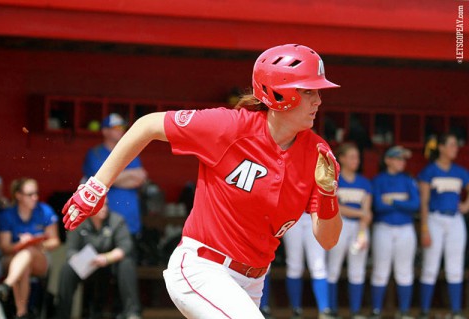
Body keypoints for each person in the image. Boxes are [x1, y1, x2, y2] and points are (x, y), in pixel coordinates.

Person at [61, 43, 343, 319]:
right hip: (203, 267)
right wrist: (98, 185)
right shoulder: (229, 127)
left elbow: (328, 240)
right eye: (308, 91)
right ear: (280, 94)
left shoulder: (318, 154)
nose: (318, 100)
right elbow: (147, 126)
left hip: (253, 282)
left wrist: (329, 194)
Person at [57, 200, 142, 319]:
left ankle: (132, 313)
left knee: (127, 263)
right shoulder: (79, 221)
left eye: (106, 204)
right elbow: (71, 251)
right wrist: (85, 260)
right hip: (86, 265)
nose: (104, 208)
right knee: (67, 269)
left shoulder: (116, 220)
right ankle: (62, 314)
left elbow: (126, 247)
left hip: (109, 265)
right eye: (100, 205)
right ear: (90, 207)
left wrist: (106, 258)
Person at [0, 177, 60, 319]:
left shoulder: (45, 210)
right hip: (13, 259)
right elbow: (5, 248)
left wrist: (35, 244)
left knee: (27, 253)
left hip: (39, 259)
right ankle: (21, 313)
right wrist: (21, 245)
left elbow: (55, 242)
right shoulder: (7, 215)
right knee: (24, 264)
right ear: (18, 195)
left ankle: (6, 286)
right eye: (30, 194)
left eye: (36, 193)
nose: (35, 197)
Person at [418, 133, 469, 319]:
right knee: (430, 266)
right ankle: (424, 311)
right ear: (441, 147)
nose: (455, 148)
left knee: (455, 267)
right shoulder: (430, 171)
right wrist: (424, 229)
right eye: (452, 145)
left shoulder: (460, 171)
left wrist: (466, 205)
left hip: (455, 220)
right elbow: (423, 202)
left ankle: (456, 312)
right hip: (434, 219)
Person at [83, 113, 147, 252]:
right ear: (105, 131)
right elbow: (98, 181)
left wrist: (111, 178)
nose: (121, 130)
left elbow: (140, 177)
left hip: (130, 218)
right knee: (100, 266)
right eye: (116, 127)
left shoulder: (131, 151)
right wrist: (128, 175)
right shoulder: (95, 153)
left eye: (122, 126)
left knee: (127, 266)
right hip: (104, 217)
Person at [369, 146, 420, 319]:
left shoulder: (408, 180)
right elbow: (378, 206)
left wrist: (392, 200)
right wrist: (401, 201)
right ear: (388, 160)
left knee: (404, 270)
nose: (402, 162)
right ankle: (376, 311)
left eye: (403, 159)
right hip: (383, 228)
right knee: (380, 270)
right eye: (398, 159)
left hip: (405, 228)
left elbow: (415, 205)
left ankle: (404, 311)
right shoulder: (378, 180)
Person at [327, 143, 372, 319]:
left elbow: (366, 213)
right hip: (339, 224)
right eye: (352, 157)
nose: (356, 160)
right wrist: (360, 212)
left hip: (359, 227)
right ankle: (331, 310)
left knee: (357, 270)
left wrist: (361, 234)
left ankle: (355, 312)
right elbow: (335, 207)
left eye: (357, 157)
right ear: (342, 158)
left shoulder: (365, 182)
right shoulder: (335, 179)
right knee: (333, 268)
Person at [283, 213, 333, 319]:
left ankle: (324, 310)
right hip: (291, 214)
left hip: (314, 214)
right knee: (294, 265)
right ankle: (295, 310)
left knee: (318, 266)